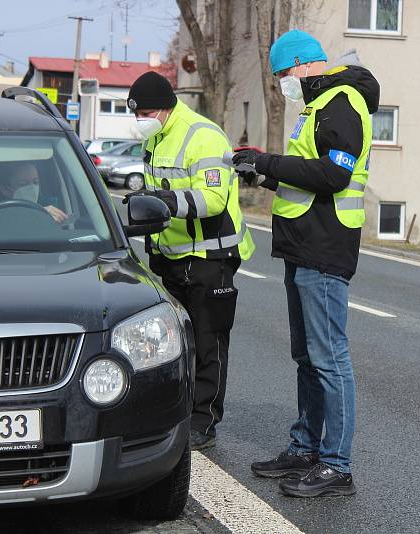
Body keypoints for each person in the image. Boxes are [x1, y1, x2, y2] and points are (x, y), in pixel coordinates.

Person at [233, 30, 379, 498]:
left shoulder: (341, 101)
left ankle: (336, 465)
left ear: (300, 65)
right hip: (302, 245)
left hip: (325, 246)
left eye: (281, 75)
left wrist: (268, 161)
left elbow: (335, 175)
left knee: (329, 357)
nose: (281, 84)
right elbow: (304, 180)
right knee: (307, 356)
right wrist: (261, 173)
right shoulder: (315, 107)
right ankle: (305, 449)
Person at [125, 71, 255, 451]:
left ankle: (203, 422)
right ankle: (175, 412)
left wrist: (165, 204)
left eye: (146, 112)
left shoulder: (203, 136)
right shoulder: (157, 136)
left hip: (209, 257)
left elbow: (212, 199)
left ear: (166, 108)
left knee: (208, 342)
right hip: (170, 257)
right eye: (136, 115)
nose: (140, 121)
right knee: (172, 343)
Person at [0, 161, 68, 223]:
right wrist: (38, 215)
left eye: (36, 182)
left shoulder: (48, 205)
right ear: (5, 190)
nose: (32, 188)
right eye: (23, 184)